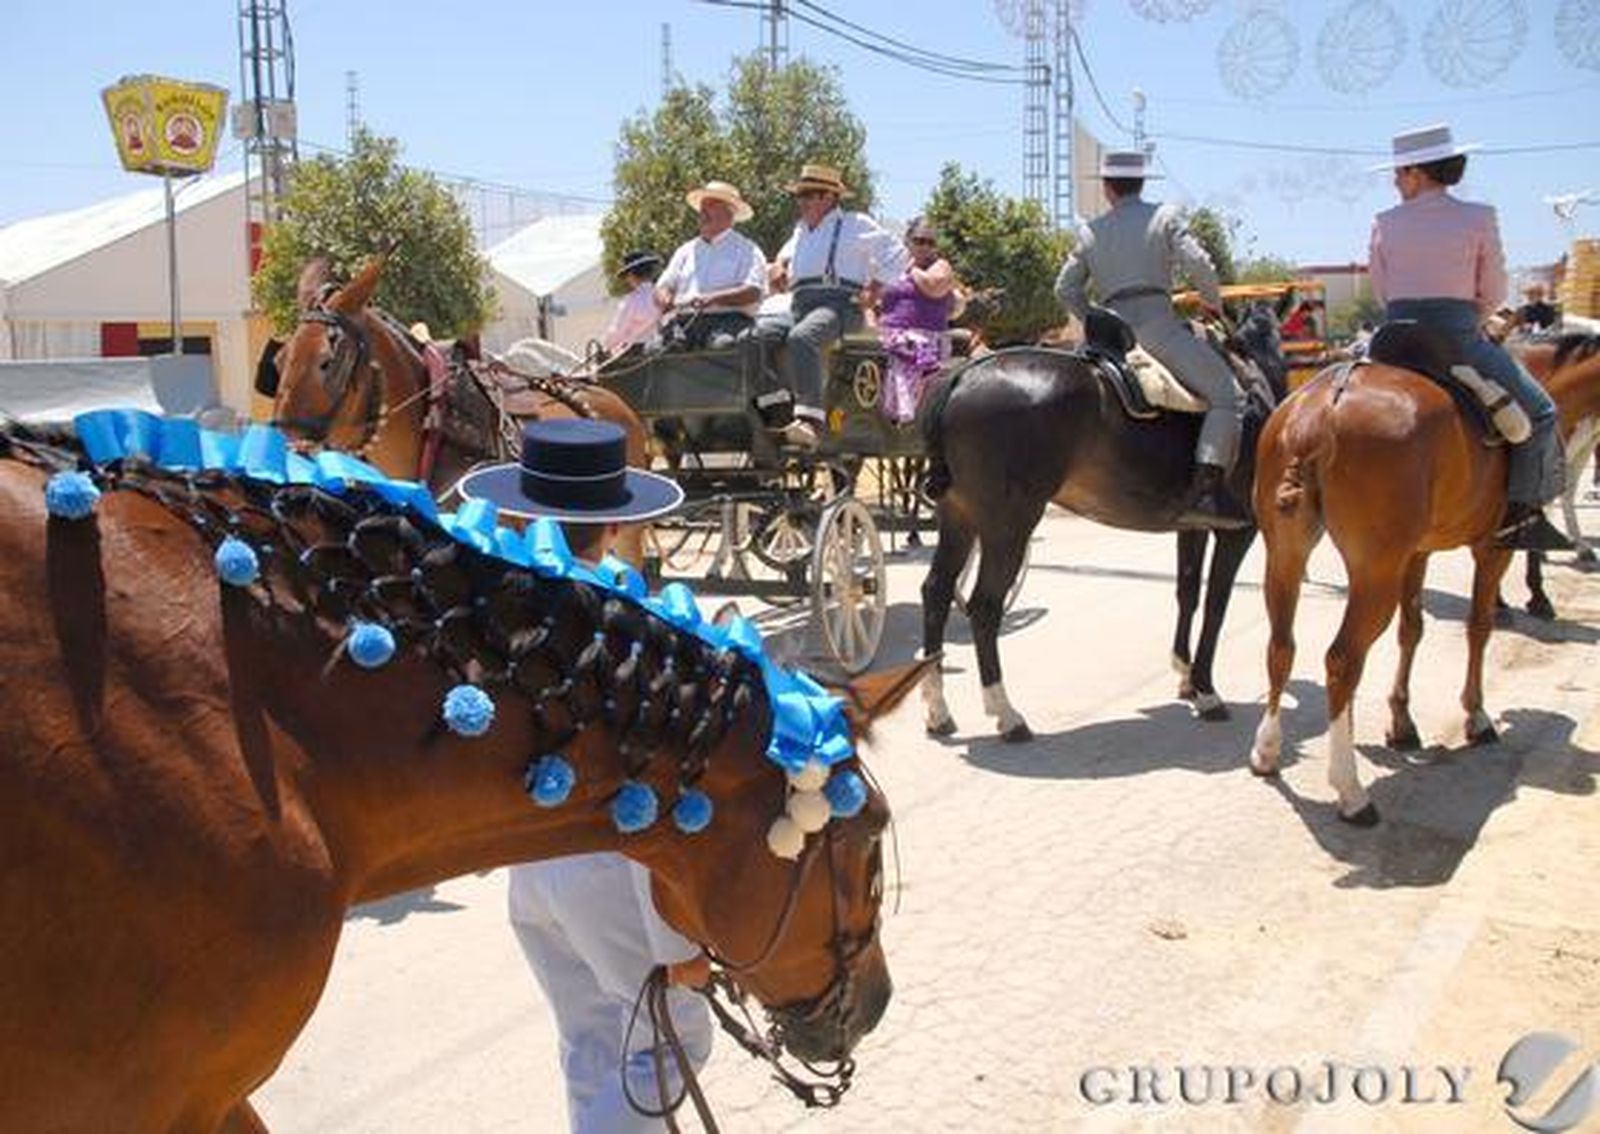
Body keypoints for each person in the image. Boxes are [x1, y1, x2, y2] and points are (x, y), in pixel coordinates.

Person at [455, 418, 713, 1134]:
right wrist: (677, 944)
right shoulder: (628, 622)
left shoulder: (500, 610)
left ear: (523, 513)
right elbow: (647, 789)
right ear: (615, 524)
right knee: (671, 1041)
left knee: (592, 1042)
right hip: (608, 873)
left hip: (530, 871)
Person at [1368, 123, 1571, 551]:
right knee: (1542, 413)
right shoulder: (1478, 217)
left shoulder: (1384, 222)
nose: (1395, 181)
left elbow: (1381, 290)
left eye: (1399, 172)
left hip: (1392, 341)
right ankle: (1519, 518)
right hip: (1457, 338)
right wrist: (1470, 320)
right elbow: (1494, 290)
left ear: (1418, 172)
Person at [1054, 149, 1248, 528]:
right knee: (1230, 396)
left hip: (1111, 337)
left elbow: (1065, 289)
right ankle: (1206, 492)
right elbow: (1200, 264)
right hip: (1159, 331)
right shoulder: (1165, 217)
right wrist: (1211, 301)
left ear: (1108, 188)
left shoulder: (1090, 231)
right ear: (1140, 184)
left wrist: (1094, 318)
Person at [769, 163, 908, 450]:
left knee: (802, 337)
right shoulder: (801, 230)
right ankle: (771, 406)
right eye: (799, 195)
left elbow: (897, 253)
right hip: (800, 304)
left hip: (839, 304)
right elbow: (783, 256)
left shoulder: (855, 224)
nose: (801, 201)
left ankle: (811, 421)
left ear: (829, 197)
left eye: (808, 195)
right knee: (756, 336)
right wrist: (779, 266)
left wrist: (875, 288)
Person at [654, 180, 767, 351]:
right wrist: (664, 297)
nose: (703, 213)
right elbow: (663, 286)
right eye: (702, 208)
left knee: (723, 345)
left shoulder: (747, 249)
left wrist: (713, 299)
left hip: (729, 320)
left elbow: (753, 291)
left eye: (711, 206)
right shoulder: (685, 251)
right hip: (685, 321)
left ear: (730, 213)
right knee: (655, 349)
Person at [876, 217, 960, 424]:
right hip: (888, 334)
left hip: (927, 337)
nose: (925, 247)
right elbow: (871, 297)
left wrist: (912, 269)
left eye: (931, 243)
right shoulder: (891, 265)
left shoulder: (940, 265)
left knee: (912, 347)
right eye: (919, 241)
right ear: (908, 241)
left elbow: (934, 287)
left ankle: (908, 414)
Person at [601, 250, 664, 356]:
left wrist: (605, 347)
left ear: (631, 275)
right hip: (662, 347)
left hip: (636, 352)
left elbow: (617, 331)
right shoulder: (663, 295)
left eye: (627, 276)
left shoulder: (631, 301)